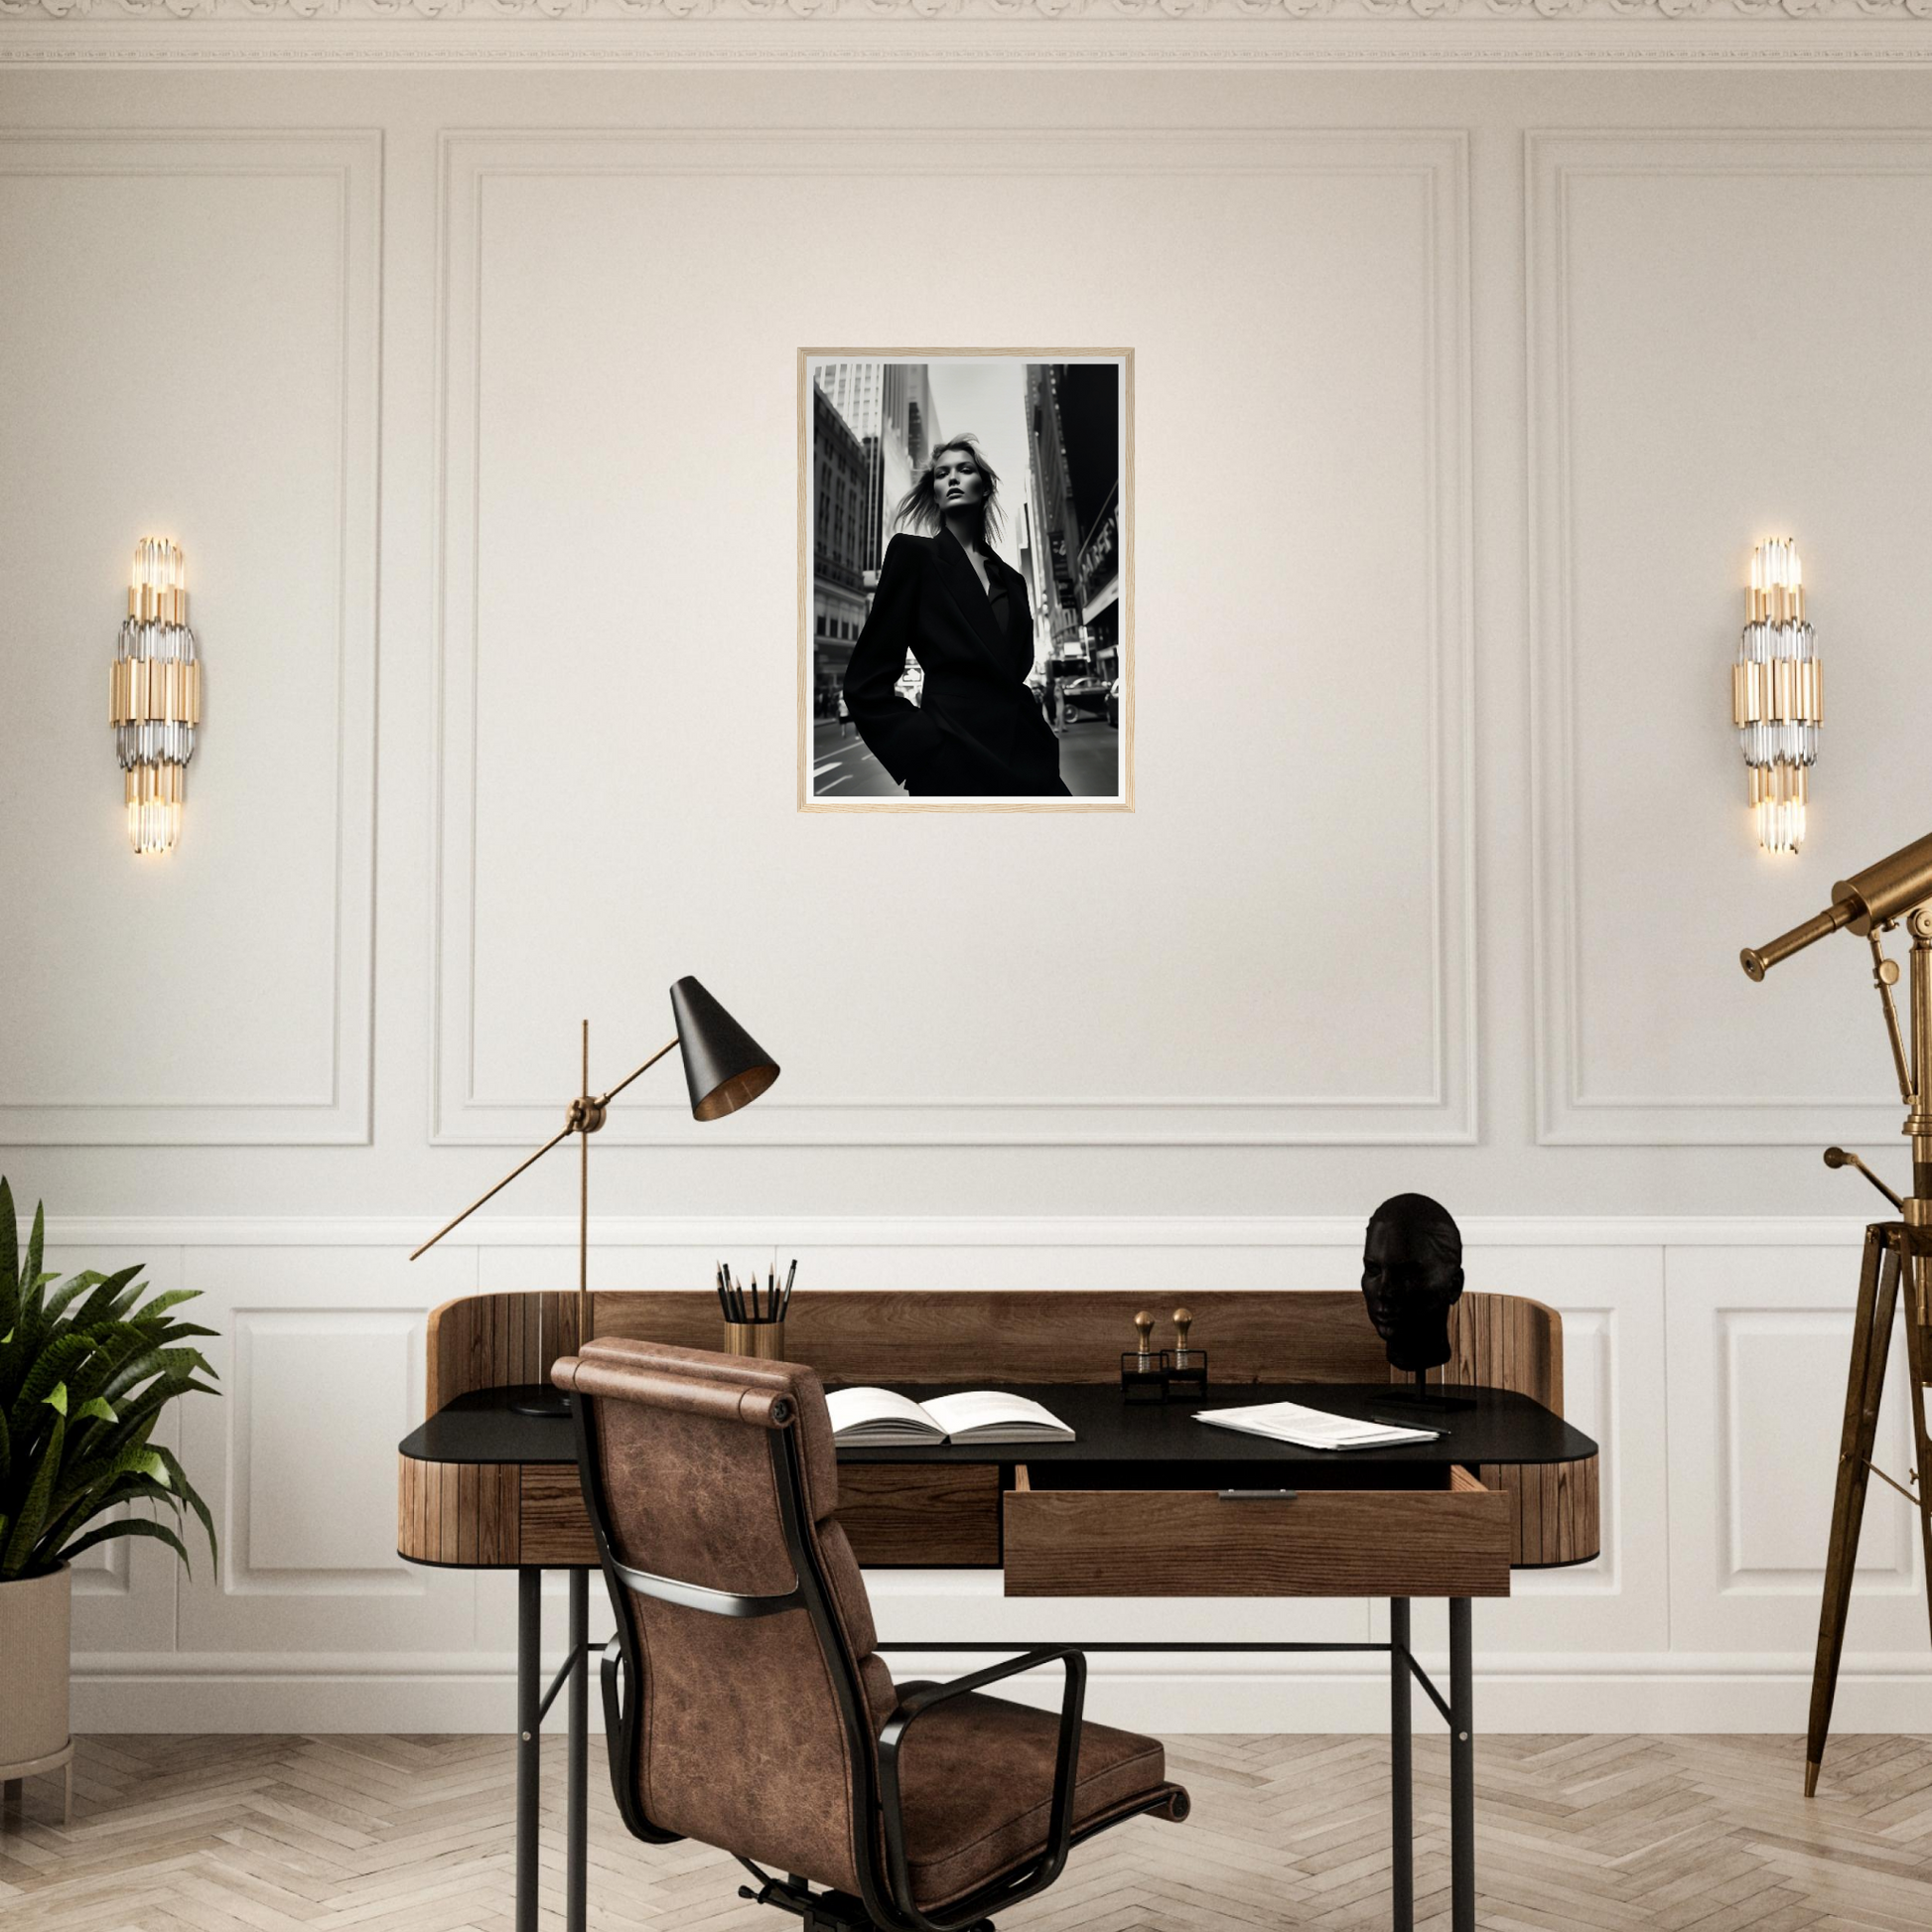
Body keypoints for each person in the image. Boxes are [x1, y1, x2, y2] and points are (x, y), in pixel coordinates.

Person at [842, 436, 1069, 798]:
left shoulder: (1013, 580)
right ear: (934, 493)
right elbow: (865, 683)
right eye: (941, 473)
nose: (952, 478)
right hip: (953, 763)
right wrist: (925, 748)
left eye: (964, 469)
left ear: (985, 487)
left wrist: (1041, 736)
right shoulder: (912, 556)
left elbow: (1014, 670)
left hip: (1029, 759)